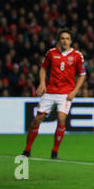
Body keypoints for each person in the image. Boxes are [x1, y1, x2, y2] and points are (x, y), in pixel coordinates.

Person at [22, 28, 86, 159]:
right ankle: (27, 149)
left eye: (67, 38)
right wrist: (42, 83)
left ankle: (55, 151)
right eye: (62, 38)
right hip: (50, 92)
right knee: (36, 120)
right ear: (58, 40)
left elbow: (82, 74)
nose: (65, 41)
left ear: (71, 41)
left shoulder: (77, 56)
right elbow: (43, 68)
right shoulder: (51, 53)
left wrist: (74, 91)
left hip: (66, 93)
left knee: (61, 119)